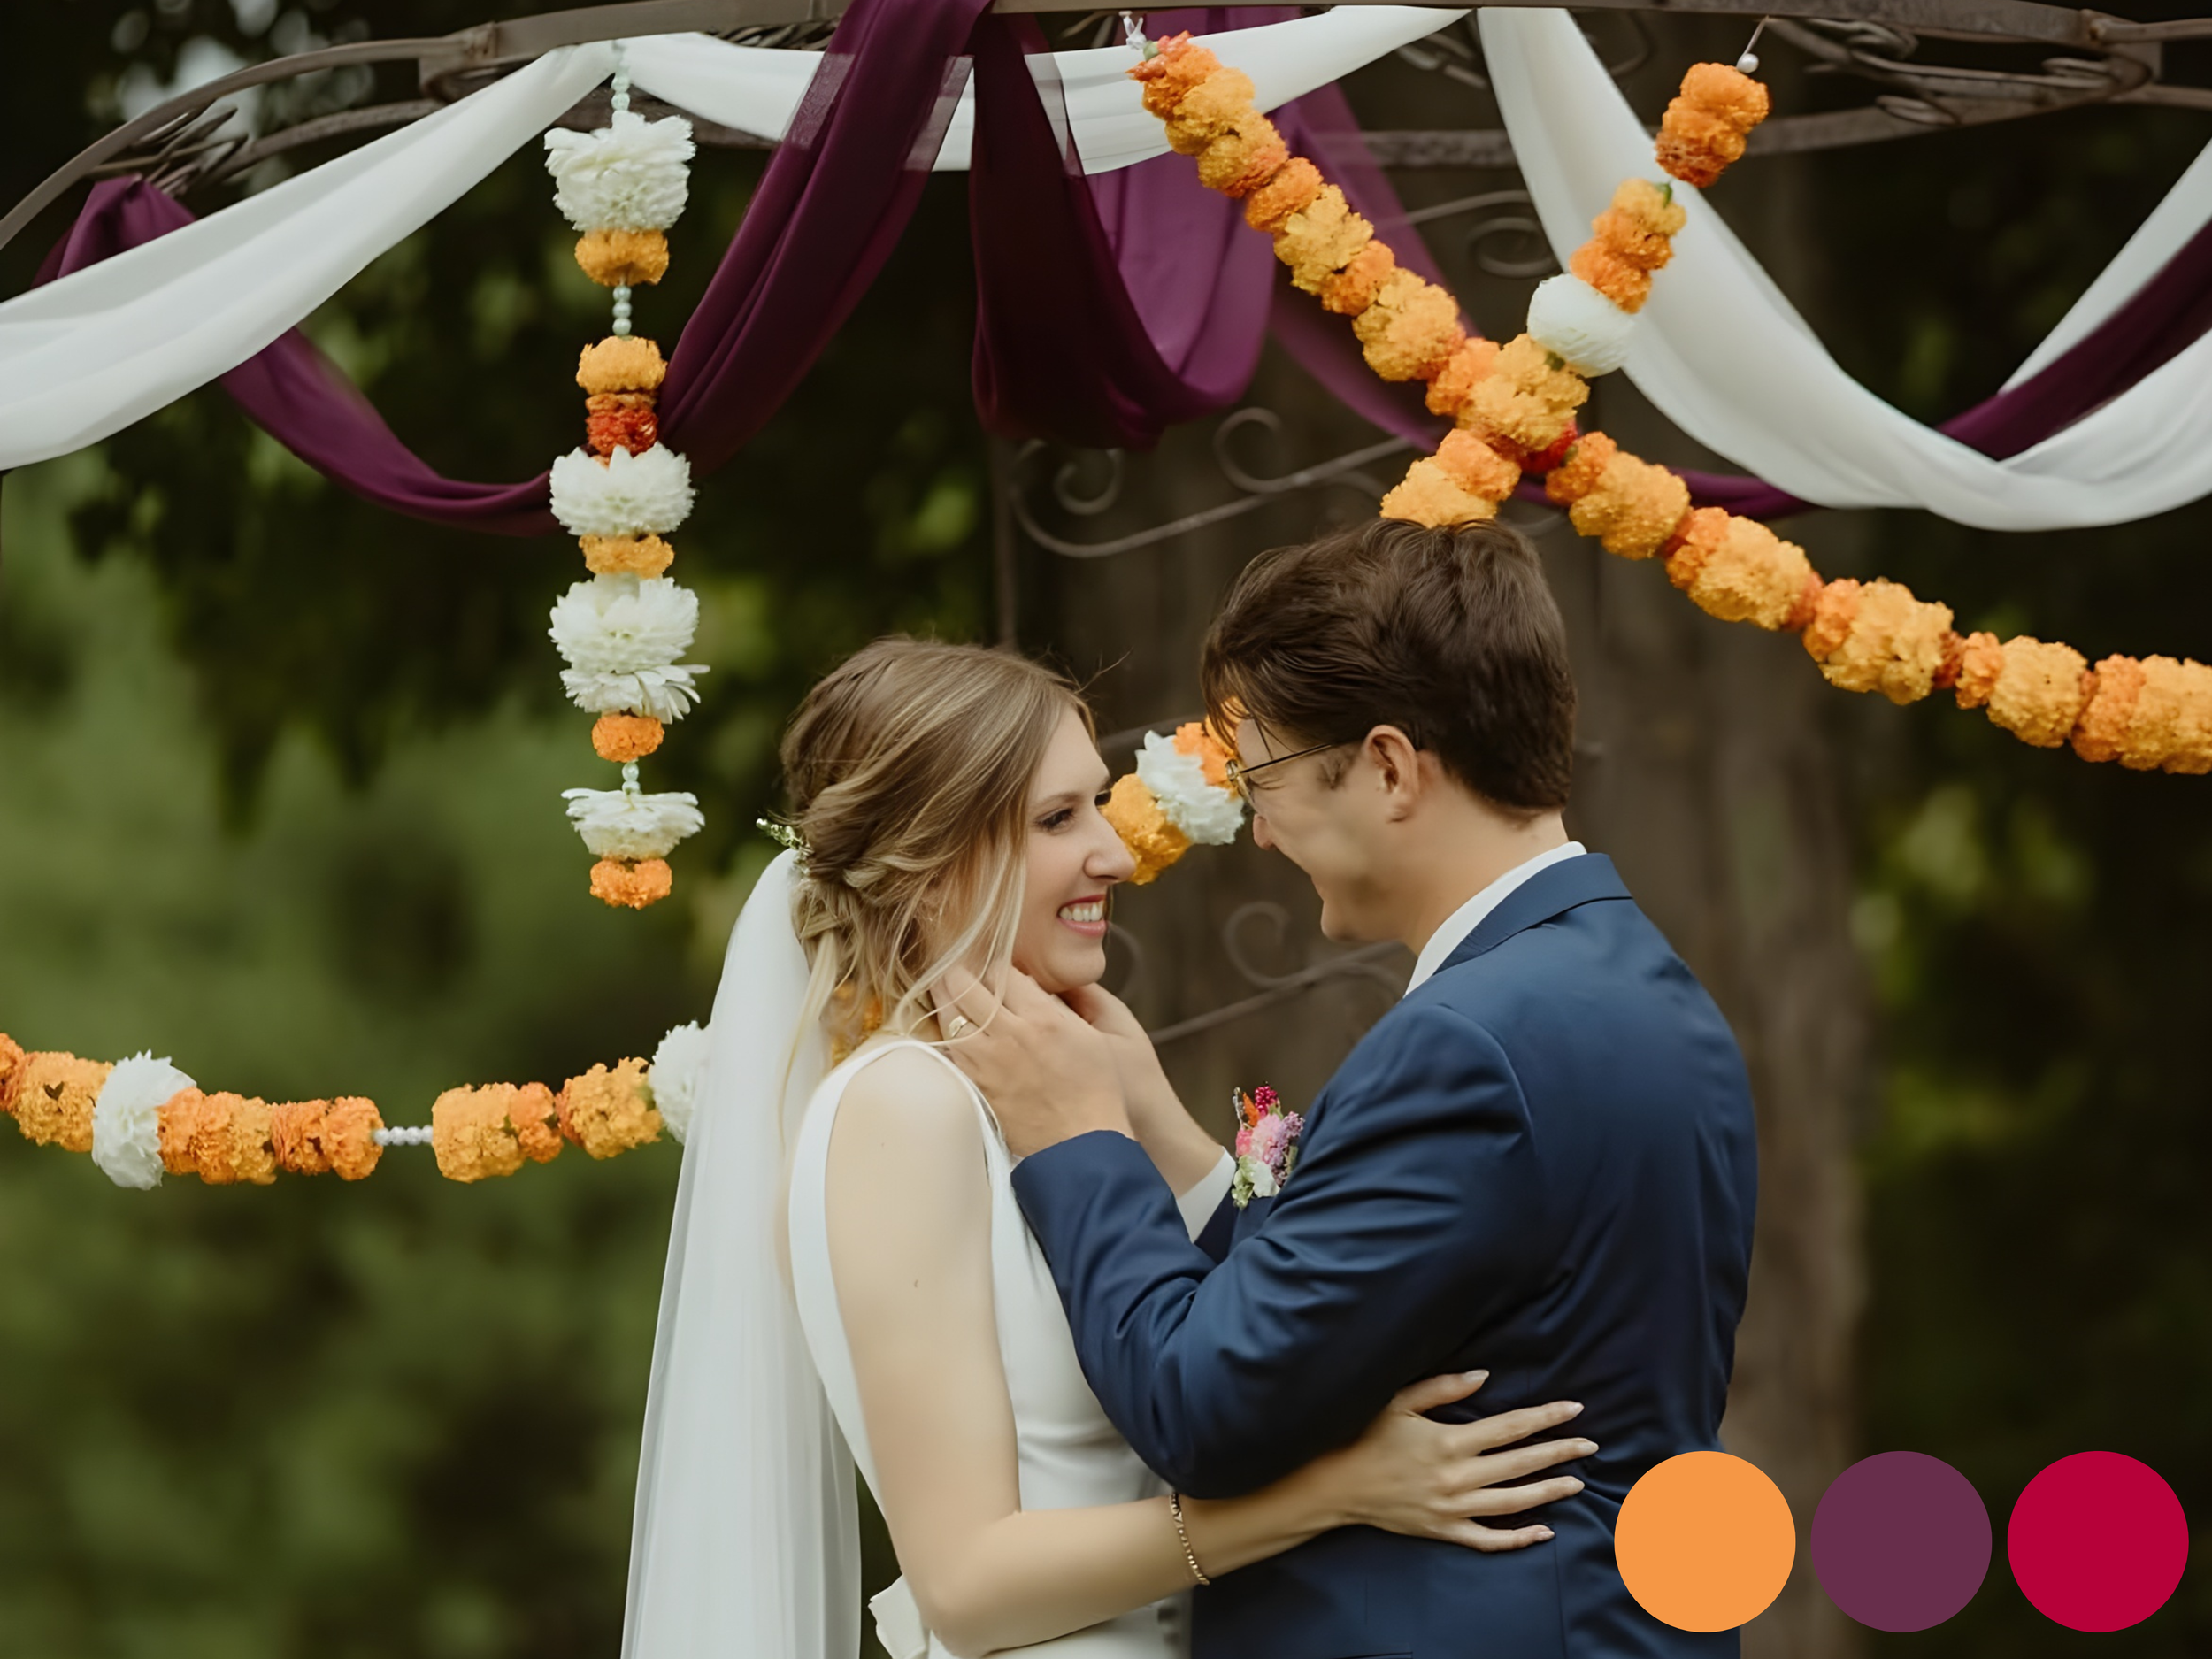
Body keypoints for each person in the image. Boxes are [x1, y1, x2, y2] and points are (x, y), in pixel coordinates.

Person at [619, 635, 1594, 1659]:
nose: (1116, 855)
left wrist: (1152, 1116)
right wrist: (1334, 1493)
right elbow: (964, 1582)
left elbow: (1241, 1336)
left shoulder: (1039, 1098)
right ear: (929, 854)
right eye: (1057, 819)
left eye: (1096, 803)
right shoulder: (901, 1110)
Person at [938, 519, 1762, 1658]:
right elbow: (1355, 1297)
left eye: (1265, 778)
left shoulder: (1470, 1043)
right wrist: (1162, 1126)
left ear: (1386, 766)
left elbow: (1200, 1404)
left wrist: (1076, 1136)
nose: (1262, 834)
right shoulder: (1649, 996)